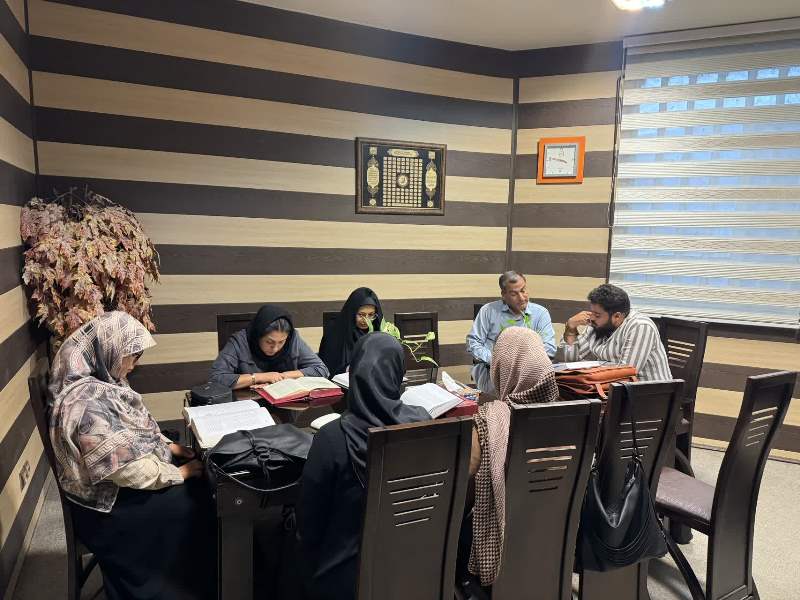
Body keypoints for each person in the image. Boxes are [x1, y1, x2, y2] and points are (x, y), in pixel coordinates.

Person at [49, 311, 216, 600]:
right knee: (196, 499)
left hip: (113, 486)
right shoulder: (87, 403)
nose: (133, 365)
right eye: (133, 357)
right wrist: (178, 473)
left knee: (198, 484)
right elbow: (126, 470)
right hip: (104, 507)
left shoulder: (103, 380)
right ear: (109, 349)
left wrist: (170, 447)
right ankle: (175, 586)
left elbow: (137, 428)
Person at [297, 333, 430, 600]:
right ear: (399, 376)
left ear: (354, 373)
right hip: (415, 566)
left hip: (346, 577)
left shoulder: (332, 437)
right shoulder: (425, 424)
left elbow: (309, 524)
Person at [461, 327, 559, 591]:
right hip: (553, 533)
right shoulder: (570, 414)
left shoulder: (488, 420)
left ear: (501, 367)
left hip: (506, 537)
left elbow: (464, 484)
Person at [555, 283, 671, 381]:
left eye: (597, 315)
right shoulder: (597, 325)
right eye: (592, 312)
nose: (592, 318)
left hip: (649, 393)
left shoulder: (640, 326)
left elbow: (626, 374)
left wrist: (590, 376)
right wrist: (571, 327)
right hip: (611, 388)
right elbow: (571, 359)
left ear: (617, 316)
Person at [467, 271, 556, 395]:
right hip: (492, 372)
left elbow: (550, 349)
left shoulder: (540, 313)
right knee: (497, 400)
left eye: (523, 290)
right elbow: (473, 343)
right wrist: (497, 361)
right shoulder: (487, 311)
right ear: (503, 295)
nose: (522, 298)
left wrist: (520, 365)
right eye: (514, 294)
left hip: (529, 373)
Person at [210, 304, 329, 389]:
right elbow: (216, 378)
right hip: (250, 404)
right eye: (269, 342)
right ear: (258, 335)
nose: (275, 348)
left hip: (285, 405)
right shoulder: (240, 341)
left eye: (281, 342)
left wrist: (282, 376)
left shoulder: (293, 339)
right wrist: (260, 377)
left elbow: (321, 369)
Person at [318, 287, 384, 376]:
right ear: (352, 312)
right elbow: (328, 369)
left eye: (371, 315)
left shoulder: (379, 332)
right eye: (361, 315)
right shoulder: (334, 334)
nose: (366, 320)